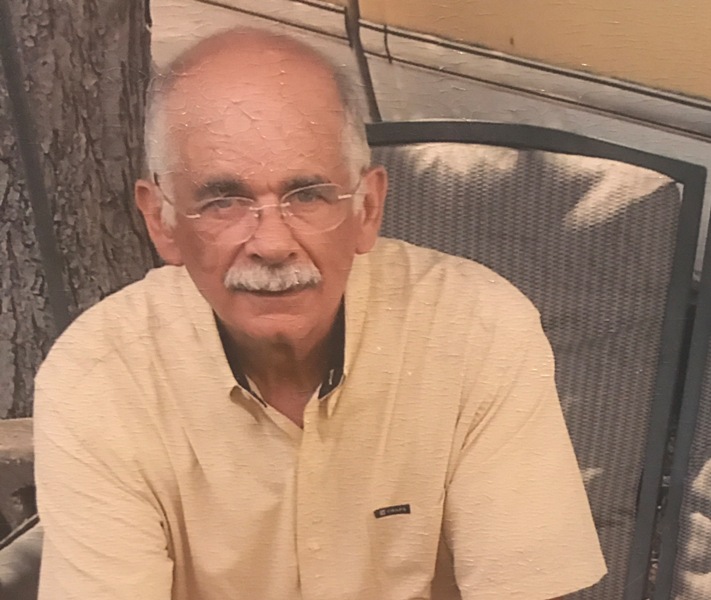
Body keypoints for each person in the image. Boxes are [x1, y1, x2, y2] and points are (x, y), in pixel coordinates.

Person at [33, 27, 606, 600]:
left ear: (367, 208)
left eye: (307, 195)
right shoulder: (99, 380)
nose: (272, 244)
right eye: (224, 200)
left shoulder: (477, 331)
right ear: (162, 221)